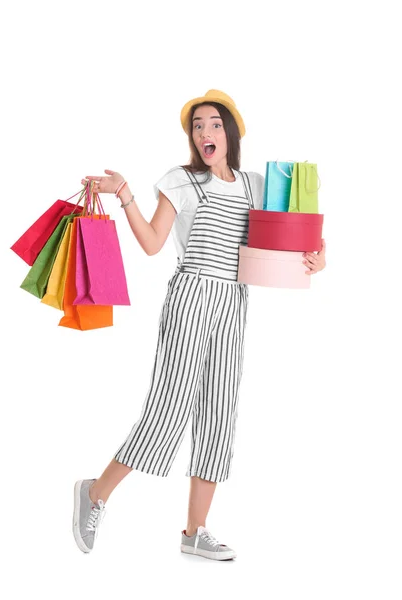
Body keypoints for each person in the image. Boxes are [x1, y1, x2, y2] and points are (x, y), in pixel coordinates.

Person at [72, 89, 327, 561]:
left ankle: (195, 530)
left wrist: (317, 255)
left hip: (234, 302)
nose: (205, 133)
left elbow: (286, 236)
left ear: (231, 133)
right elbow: (152, 244)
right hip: (191, 295)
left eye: (214, 124)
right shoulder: (182, 181)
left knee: (218, 414)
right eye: (197, 126)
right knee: (168, 408)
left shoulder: (256, 184)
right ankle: (95, 492)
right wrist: (126, 195)